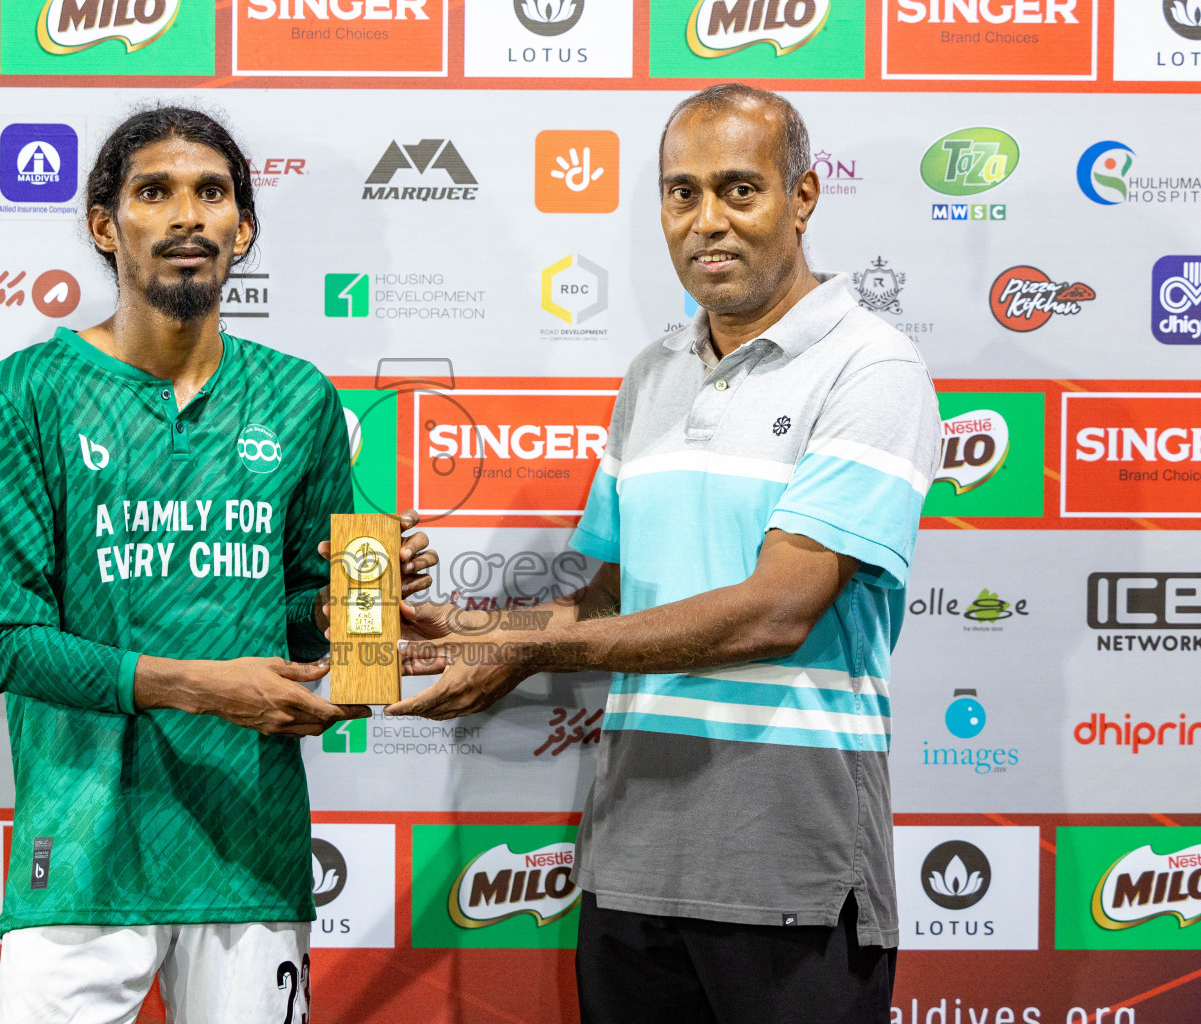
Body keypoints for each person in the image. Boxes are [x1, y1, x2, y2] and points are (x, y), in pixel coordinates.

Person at [390, 83, 941, 1023]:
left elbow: (779, 608)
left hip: (790, 869)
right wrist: (475, 631)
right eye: (681, 193)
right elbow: (607, 604)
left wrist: (533, 650)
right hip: (631, 866)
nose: (707, 221)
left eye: (740, 189)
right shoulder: (650, 374)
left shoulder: (872, 366)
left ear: (802, 198)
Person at [0, 105, 438, 1024]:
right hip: (82, 855)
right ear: (105, 225)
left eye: (211, 193)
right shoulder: (24, 392)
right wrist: (204, 687)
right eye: (154, 192)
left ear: (242, 228)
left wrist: (355, 611)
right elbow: (1, 640)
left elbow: (293, 611)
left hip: (246, 849)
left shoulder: (299, 397)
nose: (186, 216)